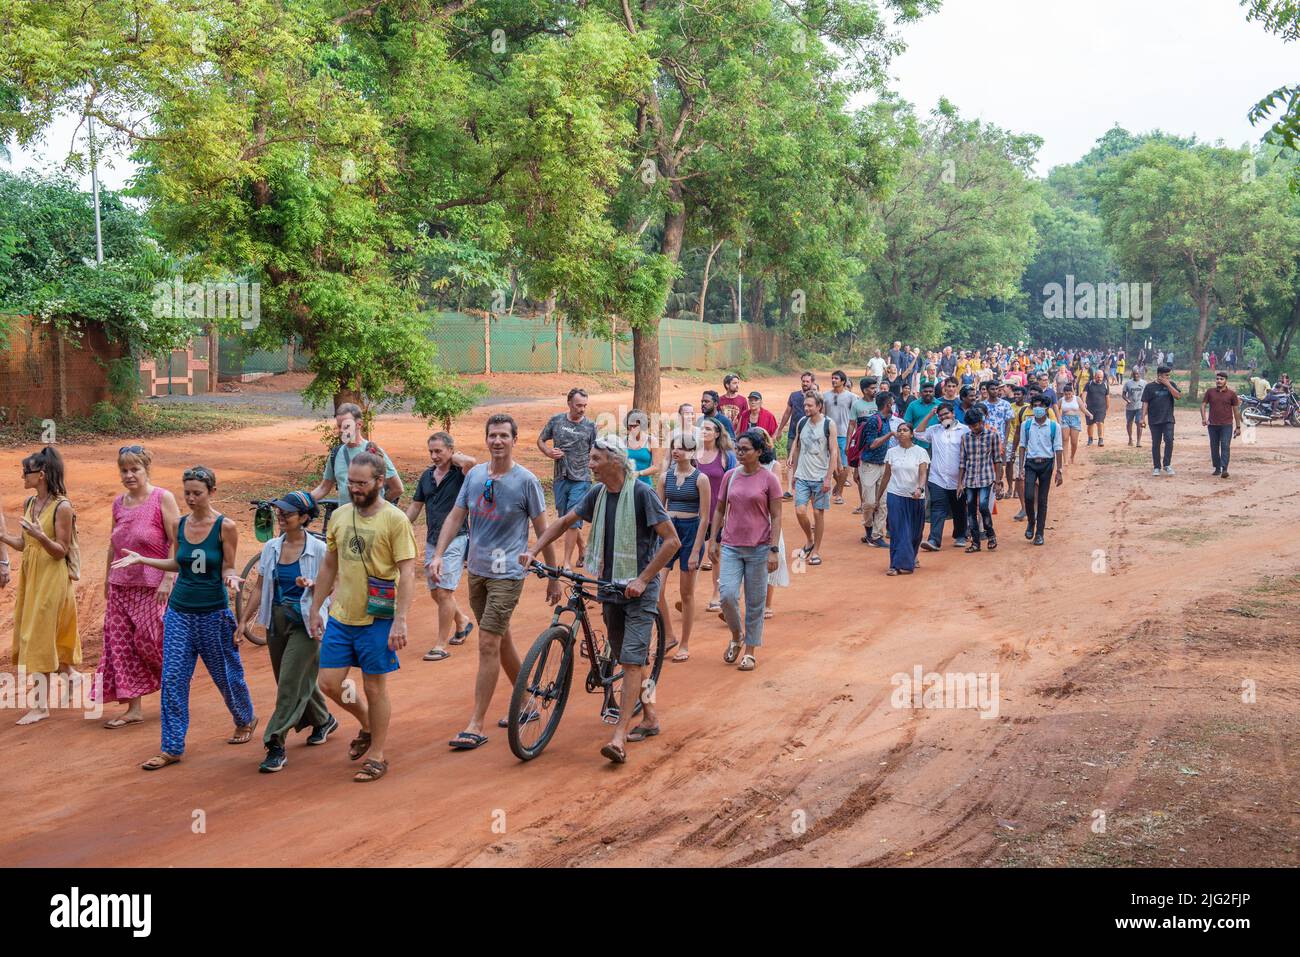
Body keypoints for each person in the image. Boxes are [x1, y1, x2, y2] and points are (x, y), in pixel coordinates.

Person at [524, 436, 678, 763]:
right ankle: (650, 717)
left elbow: (671, 542)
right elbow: (566, 522)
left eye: (595, 459)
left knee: (632, 660)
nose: (589, 464)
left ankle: (619, 737)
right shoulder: (596, 494)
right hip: (610, 586)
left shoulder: (641, 493)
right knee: (626, 655)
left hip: (639, 590)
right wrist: (534, 550)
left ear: (614, 461)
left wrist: (643, 579)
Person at [113, 466, 255, 767]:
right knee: (174, 677)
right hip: (180, 612)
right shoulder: (179, 524)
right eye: (187, 492)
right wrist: (143, 559)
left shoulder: (225, 527)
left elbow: (228, 565)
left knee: (226, 675)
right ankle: (172, 747)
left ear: (212, 493)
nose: (190, 498)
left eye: (197, 493)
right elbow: (177, 562)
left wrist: (230, 579)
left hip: (213, 613)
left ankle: (245, 719)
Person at [434, 414, 559, 751]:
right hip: (477, 570)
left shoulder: (526, 481)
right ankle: (530, 700)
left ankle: (475, 724)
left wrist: (552, 575)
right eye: (493, 436)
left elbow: (542, 528)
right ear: (486, 439)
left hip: (508, 573)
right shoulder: (473, 476)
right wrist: (438, 554)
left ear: (515, 440)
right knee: (500, 640)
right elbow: (456, 516)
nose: (498, 441)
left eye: (504, 436)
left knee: (488, 642)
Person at [308, 452, 418, 782]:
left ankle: (378, 755)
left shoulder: (395, 520)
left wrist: (400, 619)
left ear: (379, 482)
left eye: (361, 483)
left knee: (374, 686)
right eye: (350, 482)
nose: (354, 488)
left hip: (379, 617)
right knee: (328, 682)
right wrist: (316, 608)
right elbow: (330, 564)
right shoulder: (340, 516)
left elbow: (408, 571)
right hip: (343, 614)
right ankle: (368, 724)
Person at [235, 491, 336, 773]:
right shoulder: (271, 548)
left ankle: (275, 743)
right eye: (280, 511)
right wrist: (244, 620)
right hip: (278, 621)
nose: (281, 516)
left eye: (288, 513)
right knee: (289, 680)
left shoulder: (320, 550)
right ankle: (323, 719)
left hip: (308, 622)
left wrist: (314, 586)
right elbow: (259, 587)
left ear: (304, 518)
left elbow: (333, 587)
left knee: (289, 683)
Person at [97, 445, 179, 729]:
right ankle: (134, 707)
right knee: (120, 644)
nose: (129, 475)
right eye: (124, 470)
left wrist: (168, 579)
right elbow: (113, 544)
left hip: (152, 583)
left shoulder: (162, 498)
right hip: (121, 584)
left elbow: (176, 540)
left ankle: (175, 688)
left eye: (135, 469)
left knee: (151, 640)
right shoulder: (118, 503)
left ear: (146, 469)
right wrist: (107, 579)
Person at [1, 446, 82, 725]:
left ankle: (40, 706)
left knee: (38, 635)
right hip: (33, 576)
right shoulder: (29, 503)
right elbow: (25, 545)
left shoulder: (63, 507)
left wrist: (41, 536)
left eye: (28, 471)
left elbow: (60, 550)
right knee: (40, 630)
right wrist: (3, 537)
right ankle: (73, 678)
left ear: (42, 475)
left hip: (52, 578)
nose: (24, 475)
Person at [708, 429, 782, 672]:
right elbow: (719, 509)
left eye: (745, 449)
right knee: (727, 595)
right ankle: (737, 634)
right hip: (731, 545)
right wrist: (714, 539)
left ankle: (750, 651)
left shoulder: (769, 479)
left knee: (755, 601)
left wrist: (773, 549)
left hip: (759, 547)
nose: (739, 453)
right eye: (738, 448)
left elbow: (777, 515)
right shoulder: (730, 476)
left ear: (759, 452)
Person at [406, 432, 476, 662]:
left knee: (444, 591)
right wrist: (401, 527)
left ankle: (440, 644)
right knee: (436, 592)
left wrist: (453, 458)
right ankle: (462, 621)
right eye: (431, 452)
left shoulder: (460, 475)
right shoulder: (426, 476)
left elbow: (471, 463)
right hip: (432, 540)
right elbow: (416, 507)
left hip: (456, 538)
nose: (434, 456)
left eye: (439, 451)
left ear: (450, 450)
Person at [656, 431, 710, 663]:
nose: (676, 451)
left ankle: (685, 643)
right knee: (655, 588)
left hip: (690, 531)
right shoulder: (664, 477)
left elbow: (705, 517)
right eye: (674, 447)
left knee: (686, 594)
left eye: (682, 448)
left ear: (692, 452)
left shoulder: (701, 479)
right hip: (668, 532)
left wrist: (697, 550)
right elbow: (658, 512)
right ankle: (668, 634)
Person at [537, 388, 597, 570]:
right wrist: (548, 451)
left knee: (572, 521)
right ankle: (583, 547)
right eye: (579, 405)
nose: (582, 409)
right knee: (565, 518)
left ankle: (566, 563)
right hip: (560, 477)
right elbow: (541, 440)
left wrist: (594, 465)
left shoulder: (590, 426)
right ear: (569, 403)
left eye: (585, 406)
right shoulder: (556, 421)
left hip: (582, 478)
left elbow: (596, 450)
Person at [310, 403, 403, 507]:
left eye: (346, 426)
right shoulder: (335, 454)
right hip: (347, 520)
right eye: (339, 426)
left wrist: (377, 506)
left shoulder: (373, 451)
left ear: (359, 424)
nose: (341, 430)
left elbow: (397, 488)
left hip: (371, 520)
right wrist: (303, 501)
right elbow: (324, 488)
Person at [787, 392, 838, 567]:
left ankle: (816, 550)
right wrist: (794, 473)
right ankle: (809, 539)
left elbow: (834, 452)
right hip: (802, 475)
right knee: (800, 511)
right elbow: (798, 448)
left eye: (810, 405)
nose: (806, 408)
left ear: (819, 406)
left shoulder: (828, 424)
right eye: (805, 405)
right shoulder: (801, 423)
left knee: (818, 514)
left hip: (820, 477)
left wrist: (828, 478)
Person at [915, 403, 970, 551]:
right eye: (941, 416)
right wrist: (930, 414)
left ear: (953, 413)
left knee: (959, 508)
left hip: (959, 479)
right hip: (937, 478)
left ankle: (960, 535)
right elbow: (917, 432)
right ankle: (934, 540)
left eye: (946, 414)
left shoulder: (965, 430)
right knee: (937, 508)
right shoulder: (934, 430)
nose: (944, 417)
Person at [694, 417, 735, 613]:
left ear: (717, 433)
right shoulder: (694, 455)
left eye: (708, 429)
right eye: (702, 428)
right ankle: (688, 595)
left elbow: (734, 485)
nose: (704, 431)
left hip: (718, 513)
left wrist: (729, 512)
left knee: (715, 554)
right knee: (693, 552)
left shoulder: (726, 456)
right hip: (696, 513)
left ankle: (716, 594)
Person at [876, 423, 929, 575]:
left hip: (915, 496)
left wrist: (919, 488)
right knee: (898, 530)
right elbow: (886, 476)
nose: (901, 433)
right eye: (899, 430)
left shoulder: (921, 452)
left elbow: (923, 473)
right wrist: (878, 497)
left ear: (912, 434)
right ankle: (896, 565)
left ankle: (911, 556)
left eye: (905, 430)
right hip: (895, 495)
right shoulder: (891, 452)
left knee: (915, 532)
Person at [1017, 397, 1065, 545]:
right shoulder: (1026, 425)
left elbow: (1058, 448)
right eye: (1035, 406)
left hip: (1046, 464)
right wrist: (1020, 468)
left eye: (1040, 406)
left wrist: (1059, 470)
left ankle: (1039, 533)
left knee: (1043, 500)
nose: (1037, 408)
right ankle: (1031, 521)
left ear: (1046, 409)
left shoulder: (1054, 426)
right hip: (1030, 464)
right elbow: (1022, 446)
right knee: (1029, 496)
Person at [956, 407, 1004, 552]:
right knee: (970, 510)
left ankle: (990, 534)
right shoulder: (965, 438)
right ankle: (975, 542)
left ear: (981, 422)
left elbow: (997, 459)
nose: (974, 428)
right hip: (970, 479)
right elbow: (962, 461)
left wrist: (997, 481)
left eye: (976, 424)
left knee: (983, 506)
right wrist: (960, 483)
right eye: (971, 426)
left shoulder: (992, 436)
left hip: (986, 477)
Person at [855, 392, 894, 548]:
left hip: (882, 465)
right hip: (870, 465)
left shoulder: (885, 420)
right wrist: (890, 435)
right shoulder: (874, 420)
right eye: (892, 402)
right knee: (870, 502)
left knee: (883, 503)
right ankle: (869, 530)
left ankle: (876, 535)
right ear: (888, 405)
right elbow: (872, 444)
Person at [776, 372, 818, 499]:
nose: (805, 383)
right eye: (803, 381)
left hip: (811, 435)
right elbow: (787, 413)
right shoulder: (794, 396)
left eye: (807, 381)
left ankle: (807, 489)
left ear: (812, 382)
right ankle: (789, 489)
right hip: (793, 433)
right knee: (790, 460)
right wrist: (779, 430)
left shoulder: (817, 397)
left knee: (809, 461)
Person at [1141, 366, 1182, 477]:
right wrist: (1142, 418)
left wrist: (1168, 384)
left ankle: (1167, 464)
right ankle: (1157, 467)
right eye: (1166, 375)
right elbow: (1145, 403)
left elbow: (1178, 396)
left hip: (1168, 419)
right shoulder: (1149, 387)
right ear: (1159, 375)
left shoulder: (1171, 385)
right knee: (1156, 443)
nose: (1168, 377)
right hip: (1154, 419)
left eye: (1169, 375)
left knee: (1169, 440)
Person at [822, 371, 856, 504]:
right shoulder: (825, 396)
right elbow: (823, 415)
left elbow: (854, 418)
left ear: (843, 381)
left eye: (836, 378)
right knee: (831, 462)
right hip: (829, 433)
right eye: (832, 378)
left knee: (844, 464)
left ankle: (840, 493)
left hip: (844, 433)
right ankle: (838, 484)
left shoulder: (852, 397)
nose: (833, 380)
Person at [1201, 370, 1242, 478]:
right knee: (1214, 447)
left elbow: (1236, 411)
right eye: (1217, 379)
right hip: (1212, 425)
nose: (1219, 381)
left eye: (1221, 379)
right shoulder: (1210, 392)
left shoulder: (1232, 394)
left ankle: (1224, 469)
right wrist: (1203, 418)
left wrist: (1238, 427)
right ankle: (1217, 467)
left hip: (1226, 425)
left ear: (1226, 381)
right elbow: (1203, 405)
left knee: (1225, 446)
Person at [1055, 383, 1088, 466]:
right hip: (1065, 419)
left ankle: (1072, 456)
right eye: (1066, 394)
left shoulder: (1077, 399)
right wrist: (1058, 418)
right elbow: (1056, 409)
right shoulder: (1061, 400)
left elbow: (1083, 408)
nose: (1068, 396)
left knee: (1074, 442)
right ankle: (1065, 460)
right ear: (1063, 393)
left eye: (1069, 394)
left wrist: (1089, 414)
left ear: (1072, 393)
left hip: (1075, 420)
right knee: (1065, 439)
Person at [625, 409, 658, 486]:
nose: (632, 429)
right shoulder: (623, 441)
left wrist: (639, 473)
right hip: (626, 484)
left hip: (645, 484)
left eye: (635, 426)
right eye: (630, 426)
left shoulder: (651, 441)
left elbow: (656, 467)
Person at [1083, 369, 1110, 447]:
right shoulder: (1089, 384)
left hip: (1101, 408)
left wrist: (1107, 407)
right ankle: (1090, 438)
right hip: (1090, 408)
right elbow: (1084, 394)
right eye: (1098, 377)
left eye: (1101, 377)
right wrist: (1084, 402)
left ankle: (1100, 439)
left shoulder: (1105, 385)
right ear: (1095, 376)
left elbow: (1107, 397)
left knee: (1100, 422)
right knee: (1090, 424)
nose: (1100, 379)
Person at [1122, 368, 1147, 447]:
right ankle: (1130, 438)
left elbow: (1147, 395)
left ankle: (1138, 441)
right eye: (1134, 374)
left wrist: (1146, 408)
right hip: (1130, 408)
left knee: (1139, 423)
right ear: (1132, 374)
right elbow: (1123, 394)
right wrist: (1127, 400)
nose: (1136, 375)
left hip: (1140, 407)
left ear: (1140, 374)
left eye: (1137, 373)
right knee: (1129, 423)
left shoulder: (1144, 383)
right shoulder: (1128, 383)